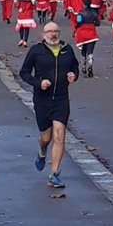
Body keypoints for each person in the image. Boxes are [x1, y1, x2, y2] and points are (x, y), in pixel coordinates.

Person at [18, 20, 81, 191]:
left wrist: (73, 75)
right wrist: (38, 83)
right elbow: (24, 73)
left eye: (56, 31)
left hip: (61, 99)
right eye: (49, 32)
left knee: (59, 135)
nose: (53, 34)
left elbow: (75, 67)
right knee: (46, 138)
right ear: (43, 35)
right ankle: (42, 151)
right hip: (42, 100)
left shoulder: (67, 50)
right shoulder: (36, 51)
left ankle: (54, 174)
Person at [73, 0, 101, 77]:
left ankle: (83, 68)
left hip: (82, 33)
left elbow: (78, 22)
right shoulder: (94, 13)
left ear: (83, 3)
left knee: (83, 51)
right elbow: (98, 23)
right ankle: (90, 67)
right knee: (90, 52)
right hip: (92, 33)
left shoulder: (80, 13)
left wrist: (76, 27)